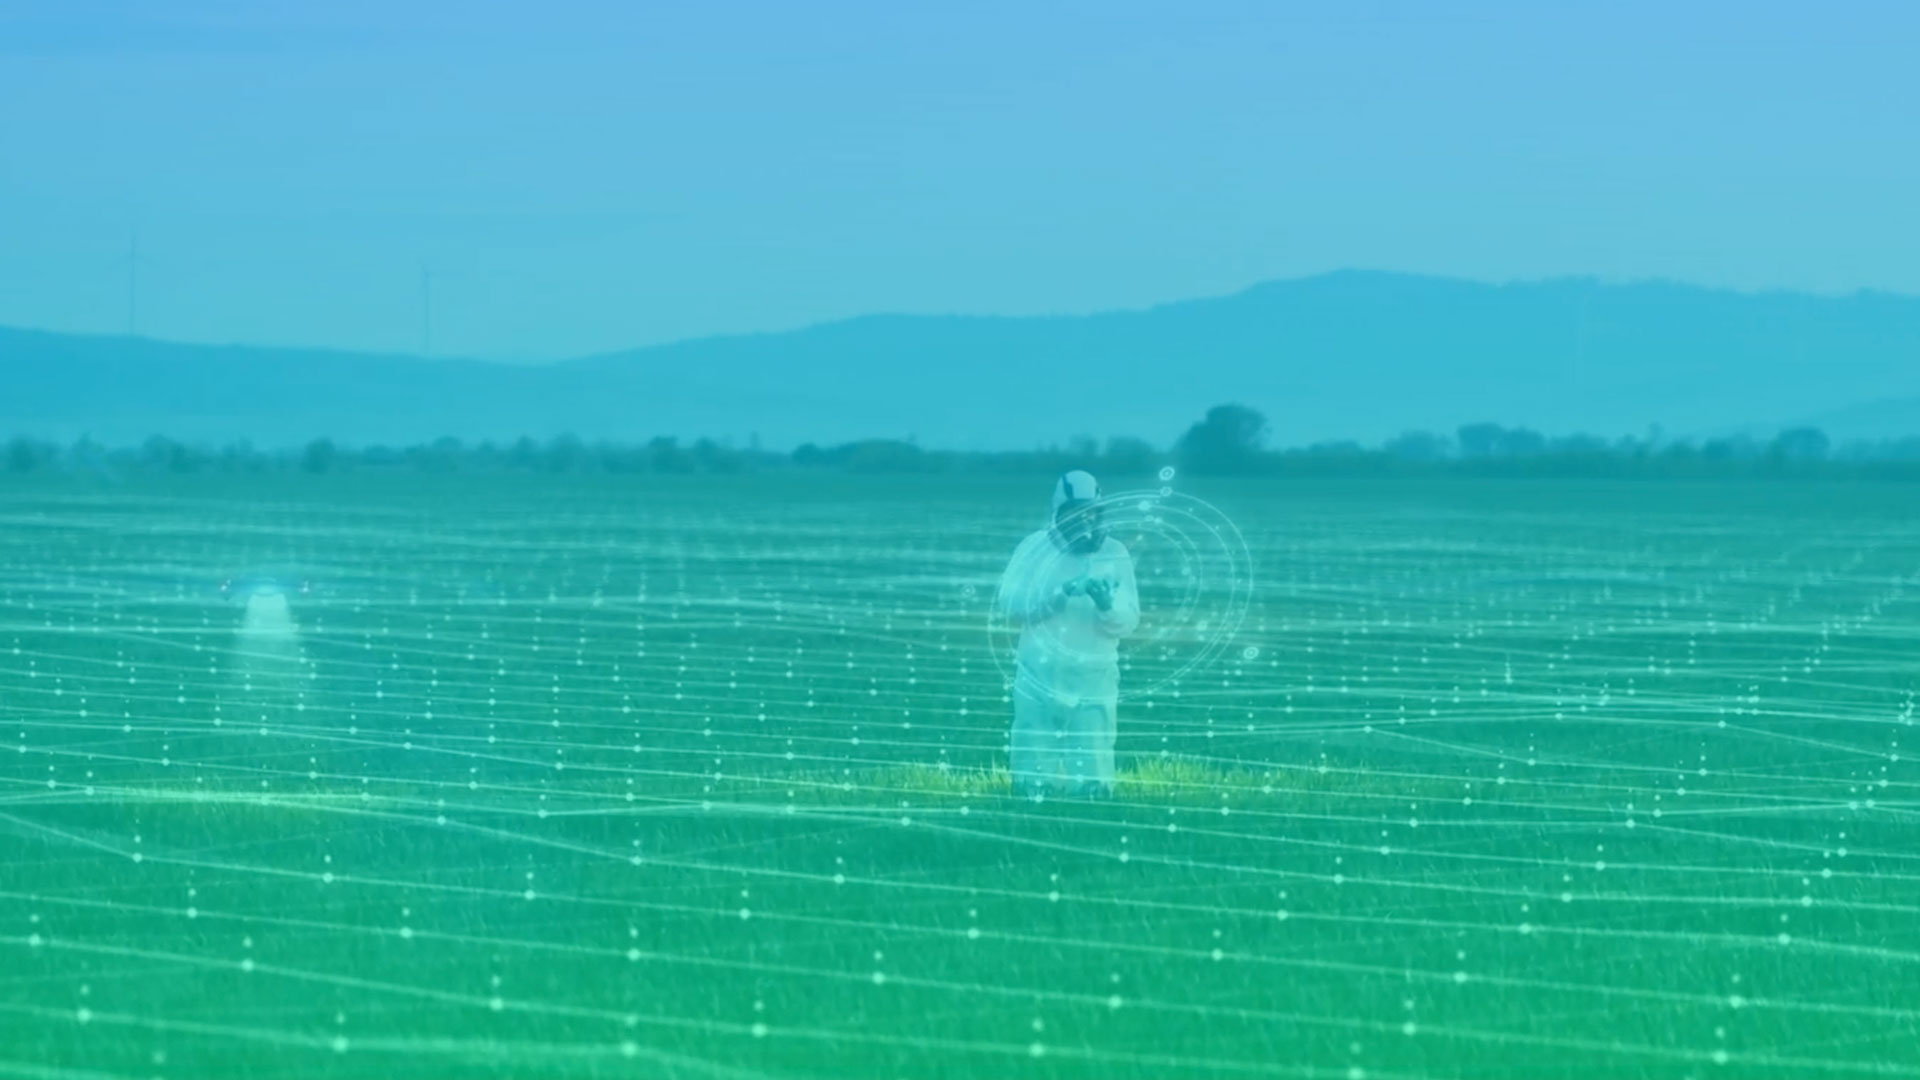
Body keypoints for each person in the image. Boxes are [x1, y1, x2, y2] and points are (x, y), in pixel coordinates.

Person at [995, 470, 1140, 798]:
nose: (1086, 523)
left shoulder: (1115, 553)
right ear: (1058, 514)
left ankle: (1092, 790)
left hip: (1093, 670)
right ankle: (1034, 787)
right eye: (1076, 515)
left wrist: (1107, 606)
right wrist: (1056, 597)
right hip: (1040, 668)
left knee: (1093, 733)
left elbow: (1129, 619)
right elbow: (1011, 602)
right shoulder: (1034, 549)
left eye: (1093, 514)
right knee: (1035, 731)